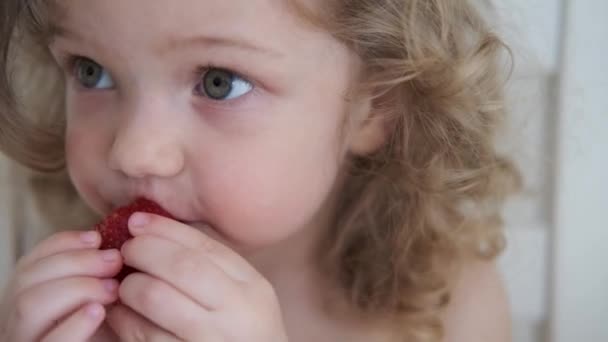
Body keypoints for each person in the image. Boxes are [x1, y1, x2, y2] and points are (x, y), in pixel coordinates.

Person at [0, 0, 520, 341]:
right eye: (91, 72)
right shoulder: (67, 298)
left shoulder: (446, 307)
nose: (133, 152)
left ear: (374, 107)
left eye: (220, 82)